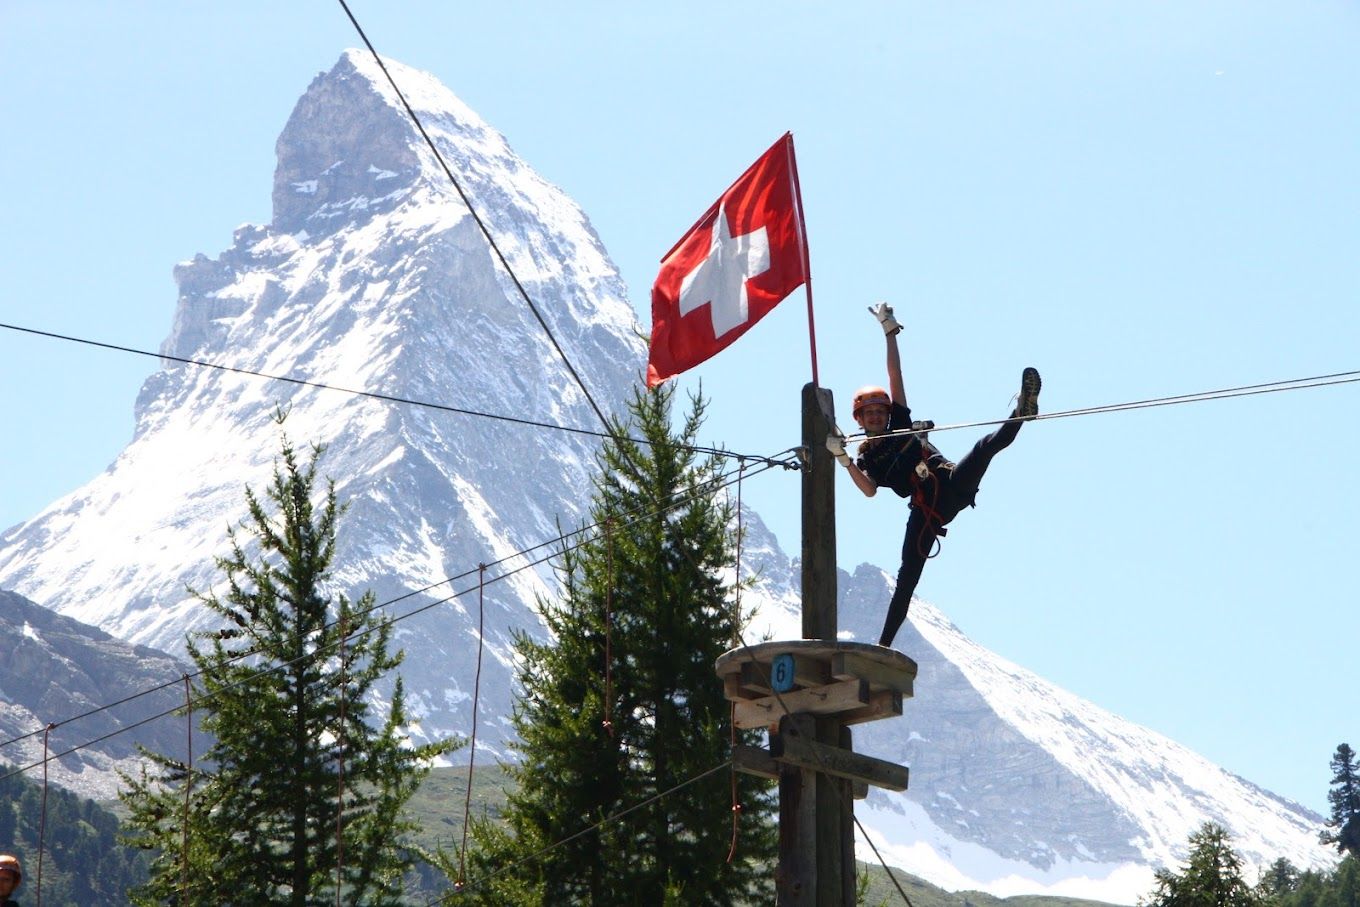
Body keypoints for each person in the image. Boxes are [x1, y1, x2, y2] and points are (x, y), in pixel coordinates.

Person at [826, 302, 1040, 648]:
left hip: (951, 483)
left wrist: (889, 333)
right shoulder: (867, 459)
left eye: (881, 411)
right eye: (871, 414)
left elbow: (895, 376)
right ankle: (883, 646)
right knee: (906, 578)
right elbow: (868, 491)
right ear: (860, 420)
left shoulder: (900, 425)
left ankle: (1022, 410)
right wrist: (843, 460)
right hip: (926, 510)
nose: (879, 417)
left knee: (985, 447)